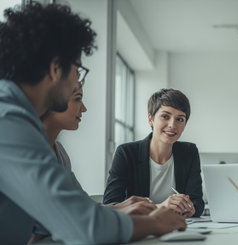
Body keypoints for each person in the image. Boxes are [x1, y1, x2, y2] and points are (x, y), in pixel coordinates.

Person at [0, 3, 185, 244]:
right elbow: (85, 227)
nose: (77, 81)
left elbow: (69, 213)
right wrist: (156, 222)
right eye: (77, 70)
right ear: (56, 69)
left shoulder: (18, 119)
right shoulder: (8, 122)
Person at [42, 84, 156, 215]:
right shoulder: (32, 152)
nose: (84, 109)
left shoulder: (59, 151)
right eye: (78, 99)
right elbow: (66, 214)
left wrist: (123, 207)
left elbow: (83, 205)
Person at [103, 88, 205, 217]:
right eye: (165, 116)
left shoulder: (189, 152)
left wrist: (191, 208)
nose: (172, 125)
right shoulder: (126, 153)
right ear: (151, 119)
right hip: (140, 229)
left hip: (177, 226)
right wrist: (160, 207)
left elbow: (197, 203)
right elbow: (110, 204)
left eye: (180, 119)